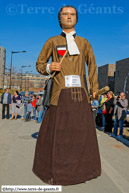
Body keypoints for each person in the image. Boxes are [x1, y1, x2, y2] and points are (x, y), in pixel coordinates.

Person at [33, 5, 101, 185]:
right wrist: (49, 67)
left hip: (81, 94)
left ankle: (83, 172)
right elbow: (39, 64)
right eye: (65, 14)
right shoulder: (52, 41)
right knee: (58, 136)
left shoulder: (85, 43)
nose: (69, 17)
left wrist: (94, 88)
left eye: (72, 14)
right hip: (59, 94)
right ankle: (55, 173)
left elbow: (92, 67)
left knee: (81, 135)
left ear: (76, 18)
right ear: (59, 19)